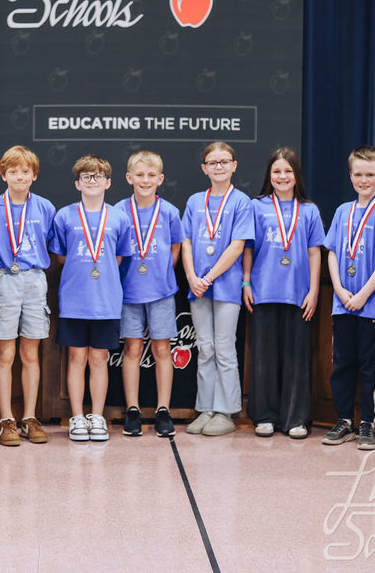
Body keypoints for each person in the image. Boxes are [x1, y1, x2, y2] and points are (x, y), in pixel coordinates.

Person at [49, 155, 132, 442]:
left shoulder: (119, 217)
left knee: (99, 358)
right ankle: (76, 417)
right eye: (86, 176)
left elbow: (120, 256)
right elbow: (60, 255)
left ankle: (97, 416)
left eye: (98, 176)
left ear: (109, 182)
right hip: (74, 298)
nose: (92, 181)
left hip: (106, 300)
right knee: (76, 357)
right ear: (77, 183)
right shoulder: (64, 216)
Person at [243, 148, 324, 439]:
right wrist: (246, 282)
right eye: (276, 171)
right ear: (269, 175)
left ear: (296, 175)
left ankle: (295, 418)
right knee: (264, 358)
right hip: (264, 291)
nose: (282, 176)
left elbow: (315, 253)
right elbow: (248, 248)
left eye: (287, 171)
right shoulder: (257, 206)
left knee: (296, 358)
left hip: (298, 294)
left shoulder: (310, 210)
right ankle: (264, 415)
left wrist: (314, 290)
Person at [321, 146, 375, 450]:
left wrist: (364, 294)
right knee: (341, 363)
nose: (363, 180)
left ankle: (368, 423)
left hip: (372, 304)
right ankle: (344, 420)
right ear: (350, 175)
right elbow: (333, 252)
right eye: (358, 174)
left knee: (370, 366)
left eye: (370, 174)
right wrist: (340, 290)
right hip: (344, 303)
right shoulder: (342, 212)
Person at [0, 146, 55, 446]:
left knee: (30, 353)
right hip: (4, 279)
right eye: (13, 171)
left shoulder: (45, 208)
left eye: (25, 171)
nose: (19, 176)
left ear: (34, 175)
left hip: (35, 280)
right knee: (5, 353)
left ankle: (29, 417)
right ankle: (6, 419)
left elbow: (48, 244)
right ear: (3, 175)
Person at [181, 142, 254, 437]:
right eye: (213, 162)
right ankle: (206, 408)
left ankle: (226, 411)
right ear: (204, 168)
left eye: (224, 161)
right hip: (197, 287)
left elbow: (237, 246)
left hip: (223, 286)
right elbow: (185, 241)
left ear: (234, 165)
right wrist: (191, 277)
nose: (219, 167)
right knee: (205, 348)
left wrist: (207, 277)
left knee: (224, 347)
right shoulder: (195, 202)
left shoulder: (241, 202)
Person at [117, 151, 184, 438]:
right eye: (140, 175)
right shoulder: (118, 211)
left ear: (160, 179)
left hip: (160, 292)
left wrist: (160, 273)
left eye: (151, 175)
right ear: (129, 178)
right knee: (131, 350)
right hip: (128, 292)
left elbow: (176, 247)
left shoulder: (169, 211)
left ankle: (162, 409)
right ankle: (132, 409)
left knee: (161, 350)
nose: (146, 180)